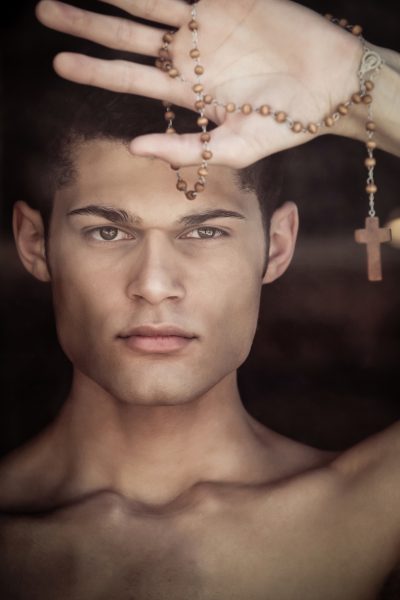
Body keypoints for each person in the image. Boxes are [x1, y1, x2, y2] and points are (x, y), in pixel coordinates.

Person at [0, 0, 399, 598]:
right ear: (36, 245)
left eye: (205, 231)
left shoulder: (373, 509)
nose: (155, 284)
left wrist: (360, 82)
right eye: (108, 231)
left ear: (278, 246)